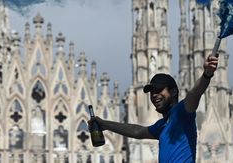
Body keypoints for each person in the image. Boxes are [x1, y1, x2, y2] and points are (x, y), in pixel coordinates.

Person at [88, 55, 218, 162]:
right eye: (151, 92)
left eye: (159, 90)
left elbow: (194, 93)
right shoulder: (161, 126)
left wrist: (206, 75)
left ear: (173, 92)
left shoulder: (182, 113)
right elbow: (137, 131)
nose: (154, 95)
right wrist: (104, 124)